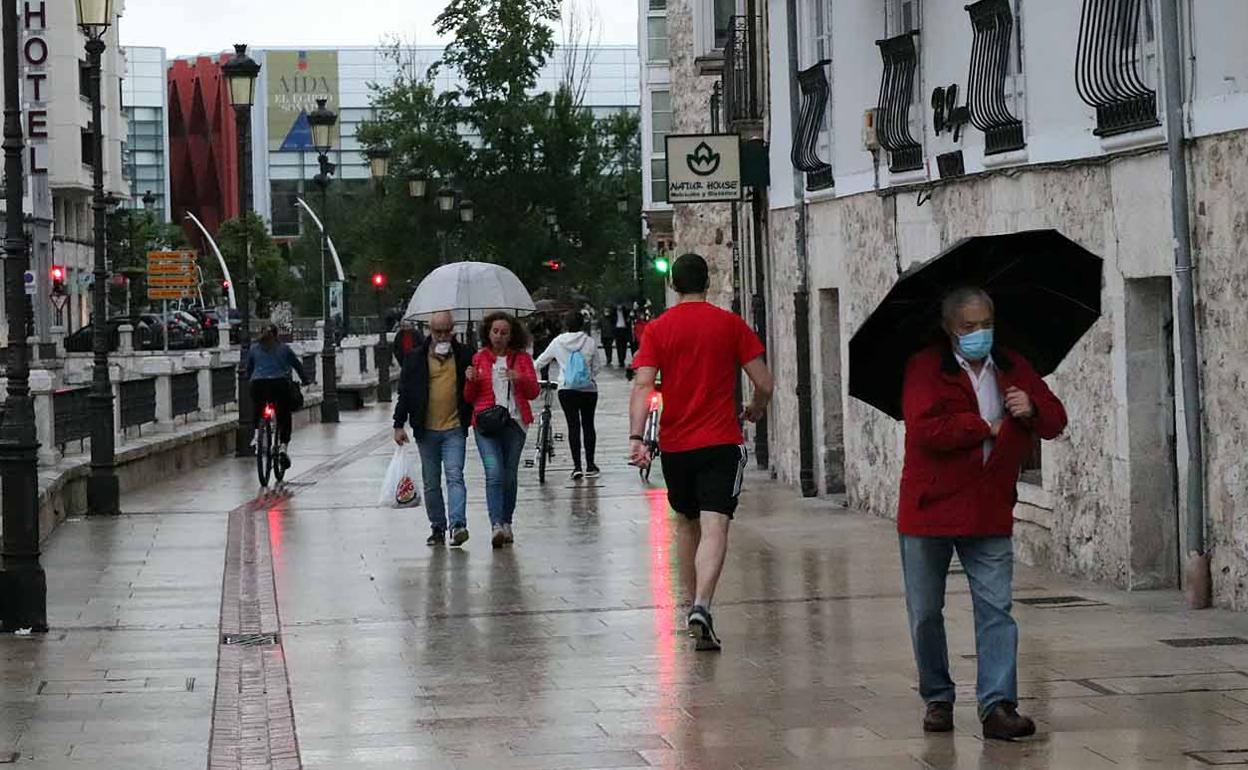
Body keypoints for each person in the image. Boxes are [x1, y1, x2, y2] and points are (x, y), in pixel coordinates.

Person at [898, 287, 1067, 740]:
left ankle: (998, 705)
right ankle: (937, 696)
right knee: (925, 612)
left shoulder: (1012, 367)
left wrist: (1030, 408)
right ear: (950, 328)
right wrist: (984, 427)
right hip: (930, 510)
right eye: (969, 327)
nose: (979, 334)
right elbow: (925, 426)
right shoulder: (925, 367)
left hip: (990, 508)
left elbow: (1054, 420)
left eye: (986, 325)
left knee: (996, 609)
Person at [629, 253, 773, 652]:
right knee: (716, 526)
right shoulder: (730, 325)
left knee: (688, 524)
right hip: (721, 441)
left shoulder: (658, 329)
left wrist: (637, 438)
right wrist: (757, 409)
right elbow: (764, 381)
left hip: (677, 445)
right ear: (707, 283)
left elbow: (642, 386)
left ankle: (693, 607)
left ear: (673, 286)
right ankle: (703, 605)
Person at [393, 311, 475, 547]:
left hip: (455, 428)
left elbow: (476, 388)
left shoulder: (465, 355)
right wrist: (398, 425)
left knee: (455, 476)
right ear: (430, 330)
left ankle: (458, 524)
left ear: (453, 330)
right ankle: (437, 527)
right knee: (431, 482)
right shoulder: (415, 357)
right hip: (425, 430)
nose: (442, 336)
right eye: (437, 331)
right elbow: (405, 393)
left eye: (446, 331)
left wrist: (473, 377)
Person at [465, 312, 540, 549]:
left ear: (511, 335)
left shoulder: (522, 359)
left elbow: (534, 392)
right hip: (486, 425)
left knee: (509, 475)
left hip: (515, 424)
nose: (498, 336)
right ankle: (495, 524)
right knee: (494, 472)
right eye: (495, 331)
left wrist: (519, 378)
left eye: (504, 332)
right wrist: (471, 380)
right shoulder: (479, 359)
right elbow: (469, 397)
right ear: (488, 333)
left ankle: (507, 520)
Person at [534, 311, 601, 480]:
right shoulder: (590, 342)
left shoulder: (557, 342)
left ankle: (577, 466)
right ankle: (591, 465)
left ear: (565, 325)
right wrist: (588, 377)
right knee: (588, 425)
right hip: (588, 390)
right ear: (582, 324)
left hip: (566, 389)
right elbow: (597, 367)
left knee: (573, 426)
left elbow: (540, 361)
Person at [246, 324, 308, 468]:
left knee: (258, 407)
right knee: (284, 415)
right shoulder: (284, 349)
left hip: (258, 385)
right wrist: (305, 380)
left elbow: (249, 369)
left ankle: (256, 435)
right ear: (276, 335)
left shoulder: (254, 348)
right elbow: (297, 366)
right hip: (279, 385)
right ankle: (283, 448)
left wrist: (251, 379)